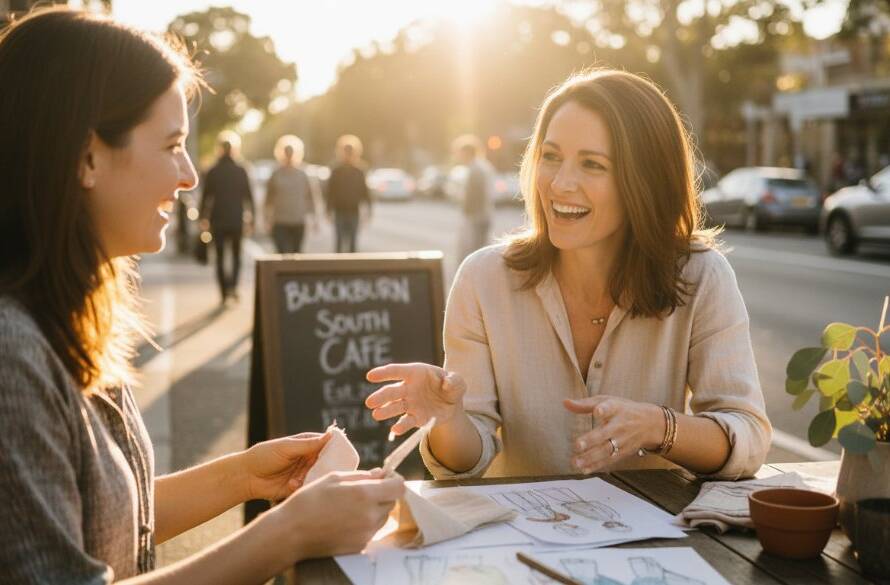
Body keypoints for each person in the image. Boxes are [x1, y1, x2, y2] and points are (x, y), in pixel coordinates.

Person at [0, 8, 403, 585]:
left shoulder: (65, 313)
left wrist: (244, 477)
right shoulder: (12, 352)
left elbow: (102, 518)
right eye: (171, 145)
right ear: (87, 157)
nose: (189, 174)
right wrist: (288, 533)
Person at [365, 69, 772, 481]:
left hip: (657, 539)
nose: (560, 184)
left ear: (646, 180)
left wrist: (659, 427)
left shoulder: (702, 276)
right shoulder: (482, 279)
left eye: (592, 164)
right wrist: (449, 419)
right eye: (551, 156)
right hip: (521, 539)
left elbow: (747, 438)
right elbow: (466, 463)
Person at [199, 131, 254, 303]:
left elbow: (206, 197)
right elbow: (249, 197)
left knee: (220, 256)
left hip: (218, 219)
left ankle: (224, 292)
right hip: (237, 219)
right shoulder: (241, 170)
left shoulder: (213, 171)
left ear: (220, 149)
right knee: (237, 256)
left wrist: (203, 218)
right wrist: (252, 219)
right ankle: (233, 287)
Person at [264, 134, 319, 254]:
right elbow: (268, 198)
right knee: (281, 253)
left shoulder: (303, 174)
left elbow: (311, 197)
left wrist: (315, 218)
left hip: (298, 220)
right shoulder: (276, 174)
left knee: (296, 254)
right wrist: (267, 219)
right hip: (280, 221)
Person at [453, 134, 495, 261]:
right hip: (483, 215)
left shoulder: (475, 169)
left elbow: (474, 196)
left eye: (460, 153)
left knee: (472, 254)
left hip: (475, 217)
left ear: (467, 152)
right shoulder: (484, 166)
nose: (458, 156)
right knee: (480, 251)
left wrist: (466, 216)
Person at [326, 135, 371, 253]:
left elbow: (365, 192)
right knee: (339, 241)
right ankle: (337, 268)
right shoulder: (336, 171)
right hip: (339, 211)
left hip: (354, 211)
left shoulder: (359, 171)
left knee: (353, 242)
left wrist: (368, 210)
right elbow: (330, 192)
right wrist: (328, 210)